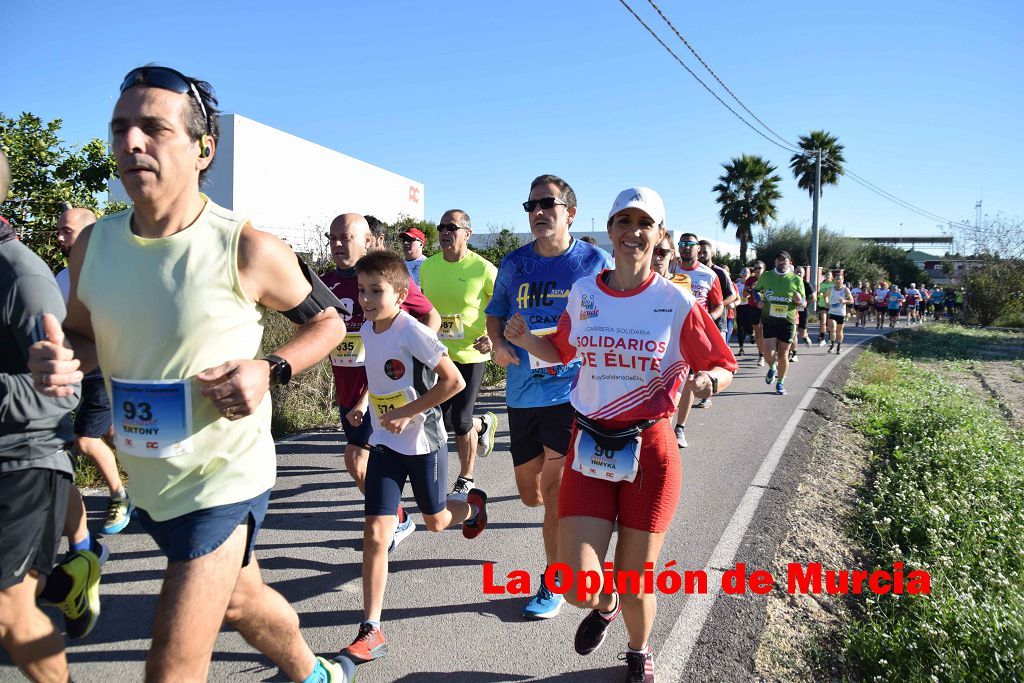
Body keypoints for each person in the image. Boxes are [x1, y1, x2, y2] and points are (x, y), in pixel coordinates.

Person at [29, 65, 354, 683]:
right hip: (150, 479)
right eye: (121, 128)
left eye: (153, 128)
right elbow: (82, 334)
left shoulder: (247, 246)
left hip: (224, 480)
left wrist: (271, 368)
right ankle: (316, 674)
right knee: (242, 602)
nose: (131, 143)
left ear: (204, 149)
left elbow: (332, 322)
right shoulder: (93, 245)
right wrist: (64, 359)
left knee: (172, 665)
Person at [504, 187, 736, 682]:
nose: (633, 232)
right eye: (624, 222)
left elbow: (722, 363)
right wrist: (527, 342)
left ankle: (638, 648)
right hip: (587, 447)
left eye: (644, 224)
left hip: (650, 452)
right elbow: (563, 350)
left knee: (636, 581)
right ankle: (604, 605)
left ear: (659, 235)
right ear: (610, 230)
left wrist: (708, 380)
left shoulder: (674, 300)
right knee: (576, 585)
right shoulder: (586, 293)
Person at [340, 250, 487, 664]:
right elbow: (381, 372)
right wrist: (362, 403)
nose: (367, 299)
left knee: (437, 521)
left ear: (401, 295)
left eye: (377, 291)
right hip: (387, 445)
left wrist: (408, 413)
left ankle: (472, 508)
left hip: (423, 444)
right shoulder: (369, 329)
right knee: (374, 534)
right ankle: (371, 629)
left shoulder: (412, 331)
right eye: (362, 290)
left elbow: (453, 382)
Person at [484, 174, 611, 620]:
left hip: (572, 392)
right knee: (531, 495)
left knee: (556, 493)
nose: (538, 211)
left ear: (569, 213)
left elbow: (615, 313)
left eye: (547, 204)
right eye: (531, 205)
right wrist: (499, 345)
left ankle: (553, 580)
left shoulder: (594, 262)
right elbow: (495, 314)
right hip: (522, 391)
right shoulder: (514, 264)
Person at [0, 149, 102, 681]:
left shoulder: (22, 277)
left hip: (23, 458)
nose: (64, 238)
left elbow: (58, 391)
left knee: (7, 611)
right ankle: (66, 580)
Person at [321, 213, 440, 552]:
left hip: (384, 391)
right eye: (332, 238)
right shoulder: (325, 282)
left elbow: (430, 315)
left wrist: (413, 355)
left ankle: (393, 521)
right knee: (360, 465)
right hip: (349, 391)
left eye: (346, 237)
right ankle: (399, 518)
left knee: (356, 460)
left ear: (367, 240)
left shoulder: (386, 280)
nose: (338, 244)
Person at [55, 206, 133, 534]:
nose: (59, 237)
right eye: (58, 230)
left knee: (85, 439)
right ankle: (149, 482)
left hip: (104, 366)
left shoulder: (111, 271)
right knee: (113, 433)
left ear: (89, 233)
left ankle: (120, 497)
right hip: (75, 368)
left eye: (67, 231)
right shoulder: (61, 275)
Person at [419, 209, 498, 496]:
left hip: (470, 354)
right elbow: (422, 308)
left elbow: (503, 306)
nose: (444, 232)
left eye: (451, 227)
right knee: (437, 418)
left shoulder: (483, 268)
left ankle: (466, 477)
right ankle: (484, 424)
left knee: (460, 420)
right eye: (440, 227)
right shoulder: (428, 267)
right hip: (437, 355)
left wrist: (492, 335)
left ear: (467, 233)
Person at [672, 233, 723, 445]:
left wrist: (708, 319)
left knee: (689, 381)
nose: (686, 248)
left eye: (690, 244)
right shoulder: (671, 269)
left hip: (694, 334)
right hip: (669, 330)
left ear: (697, 248)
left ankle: (679, 428)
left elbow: (719, 304)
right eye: (682, 244)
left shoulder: (709, 275)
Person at [753, 251, 805, 396]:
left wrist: (798, 300)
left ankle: (780, 382)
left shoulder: (796, 279)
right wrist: (758, 301)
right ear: (775, 262)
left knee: (783, 355)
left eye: (784, 260)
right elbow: (756, 290)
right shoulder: (767, 275)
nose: (781, 262)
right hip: (769, 320)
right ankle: (772, 367)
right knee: (768, 353)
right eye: (778, 260)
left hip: (788, 322)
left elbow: (804, 302)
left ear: (790, 262)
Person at [789, 265, 814, 364]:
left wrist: (805, 303)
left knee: (802, 332)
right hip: (792, 310)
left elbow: (813, 297)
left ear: (804, 274)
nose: (798, 273)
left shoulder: (806, 284)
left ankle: (805, 337)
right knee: (794, 333)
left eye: (800, 272)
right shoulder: (791, 283)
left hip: (803, 310)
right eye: (797, 272)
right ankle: (794, 354)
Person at [745, 261, 767, 366]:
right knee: (758, 333)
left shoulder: (768, 279)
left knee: (766, 332)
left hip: (766, 308)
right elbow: (744, 294)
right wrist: (750, 288)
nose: (757, 270)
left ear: (764, 269)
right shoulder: (750, 280)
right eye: (755, 268)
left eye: (759, 268)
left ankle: (769, 352)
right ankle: (761, 355)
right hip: (754, 308)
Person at [826, 277, 854, 354]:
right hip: (832, 312)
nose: (838, 281)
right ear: (834, 280)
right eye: (837, 279)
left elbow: (852, 301)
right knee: (832, 329)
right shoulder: (830, 289)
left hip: (841, 313)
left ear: (842, 281)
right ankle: (832, 345)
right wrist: (827, 303)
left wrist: (844, 301)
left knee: (839, 331)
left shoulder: (845, 290)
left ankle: (839, 346)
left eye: (840, 279)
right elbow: (825, 296)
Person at [734, 267, 752, 355]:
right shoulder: (737, 285)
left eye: (747, 273)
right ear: (741, 274)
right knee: (740, 328)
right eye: (743, 273)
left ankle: (751, 333)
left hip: (749, 307)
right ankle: (741, 348)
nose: (745, 275)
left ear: (749, 274)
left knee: (748, 325)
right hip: (740, 307)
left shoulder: (751, 284)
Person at [815, 269, 836, 346]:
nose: (827, 276)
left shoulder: (834, 284)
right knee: (823, 322)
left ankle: (830, 338)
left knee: (830, 323)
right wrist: (819, 296)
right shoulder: (822, 284)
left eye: (829, 275)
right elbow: (819, 294)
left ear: (832, 277)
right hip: (822, 304)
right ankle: (822, 339)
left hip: (831, 305)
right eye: (826, 275)